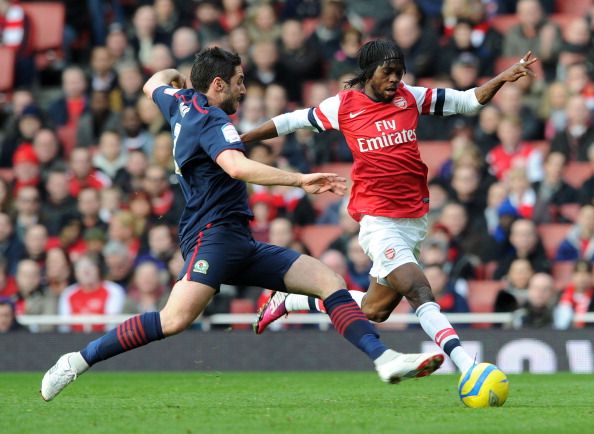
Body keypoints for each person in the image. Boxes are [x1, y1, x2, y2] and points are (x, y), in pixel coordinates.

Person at [40, 47, 444, 402]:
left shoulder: (180, 101)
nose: (244, 90)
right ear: (218, 85)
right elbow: (235, 165)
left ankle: (385, 359)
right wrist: (299, 180)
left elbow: (153, 82)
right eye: (238, 82)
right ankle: (77, 360)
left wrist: (180, 81)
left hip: (239, 240)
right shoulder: (214, 121)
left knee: (329, 281)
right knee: (174, 320)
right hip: (211, 238)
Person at [242, 39, 538, 376]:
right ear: (369, 72)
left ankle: (291, 300)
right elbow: (290, 122)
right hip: (378, 221)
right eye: (388, 72)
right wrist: (241, 140)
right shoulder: (342, 107)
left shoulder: (411, 96)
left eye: (399, 72)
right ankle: (468, 366)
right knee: (418, 288)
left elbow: (468, 102)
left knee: (374, 309)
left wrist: (503, 77)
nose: (395, 79)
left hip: (414, 220)